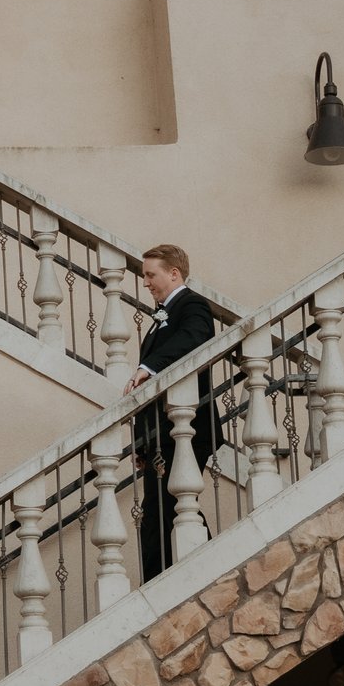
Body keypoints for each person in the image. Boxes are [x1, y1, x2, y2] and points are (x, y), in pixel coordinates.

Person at [125, 244, 223, 582]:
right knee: (164, 512)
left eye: (150, 275)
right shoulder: (161, 316)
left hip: (187, 428)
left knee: (166, 511)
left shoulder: (192, 305)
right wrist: (142, 441)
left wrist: (148, 366)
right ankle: (188, 578)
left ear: (174, 273)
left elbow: (194, 338)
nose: (146, 283)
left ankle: (178, 580)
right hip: (161, 435)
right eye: (144, 276)